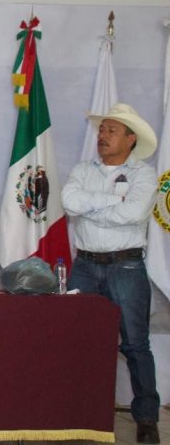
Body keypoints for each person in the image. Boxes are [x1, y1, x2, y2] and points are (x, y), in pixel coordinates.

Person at [61, 103, 160, 444]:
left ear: (131, 139)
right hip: (85, 266)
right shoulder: (82, 169)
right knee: (76, 340)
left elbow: (133, 214)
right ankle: (75, 414)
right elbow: (70, 202)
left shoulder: (144, 174)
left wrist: (92, 206)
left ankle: (146, 419)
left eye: (111, 130)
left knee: (135, 345)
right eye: (101, 129)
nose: (102, 135)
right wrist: (112, 200)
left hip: (126, 267)